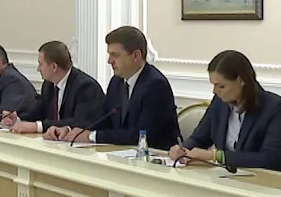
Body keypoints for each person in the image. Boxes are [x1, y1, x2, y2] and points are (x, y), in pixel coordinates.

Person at [45, 26, 180, 149]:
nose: (109, 61)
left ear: (136, 55)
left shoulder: (156, 85)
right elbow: (101, 119)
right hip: (122, 154)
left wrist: (92, 136)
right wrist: (69, 130)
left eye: (115, 55)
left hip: (156, 158)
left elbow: (141, 135)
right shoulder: (116, 82)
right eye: (109, 54)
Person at [170, 50, 281, 174]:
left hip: (274, 182)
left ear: (241, 80)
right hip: (232, 178)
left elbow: (268, 158)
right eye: (213, 85)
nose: (214, 91)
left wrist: (216, 156)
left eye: (221, 86)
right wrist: (182, 150)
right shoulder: (219, 102)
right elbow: (199, 138)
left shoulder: (276, 108)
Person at [4, 41, 105, 134]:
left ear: (54, 67)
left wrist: (38, 127)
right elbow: (39, 112)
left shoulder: (85, 87)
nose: (38, 69)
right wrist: (18, 119)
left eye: (40, 64)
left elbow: (80, 122)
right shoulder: (48, 85)